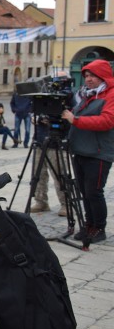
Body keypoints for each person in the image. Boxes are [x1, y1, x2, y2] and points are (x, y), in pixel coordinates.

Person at [62, 59, 114, 243]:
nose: (89, 79)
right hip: (81, 150)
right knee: (84, 191)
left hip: (98, 153)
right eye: (86, 75)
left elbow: (107, 121)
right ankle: (89, 224)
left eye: (93, 75)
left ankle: (99, 227)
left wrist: (75, 120)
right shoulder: (87, 96)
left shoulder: (110, 95)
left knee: (94, 192)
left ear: (103, 76)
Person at [29, 115, 67, 216]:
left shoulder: (66, 99)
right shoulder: (37, 100)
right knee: (39, 174)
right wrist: (35, 117)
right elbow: (32, 112)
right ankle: (41, 201)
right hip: (40, 141)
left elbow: (72, 115)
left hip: (56, 143)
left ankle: (66, 204)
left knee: (59, 175)